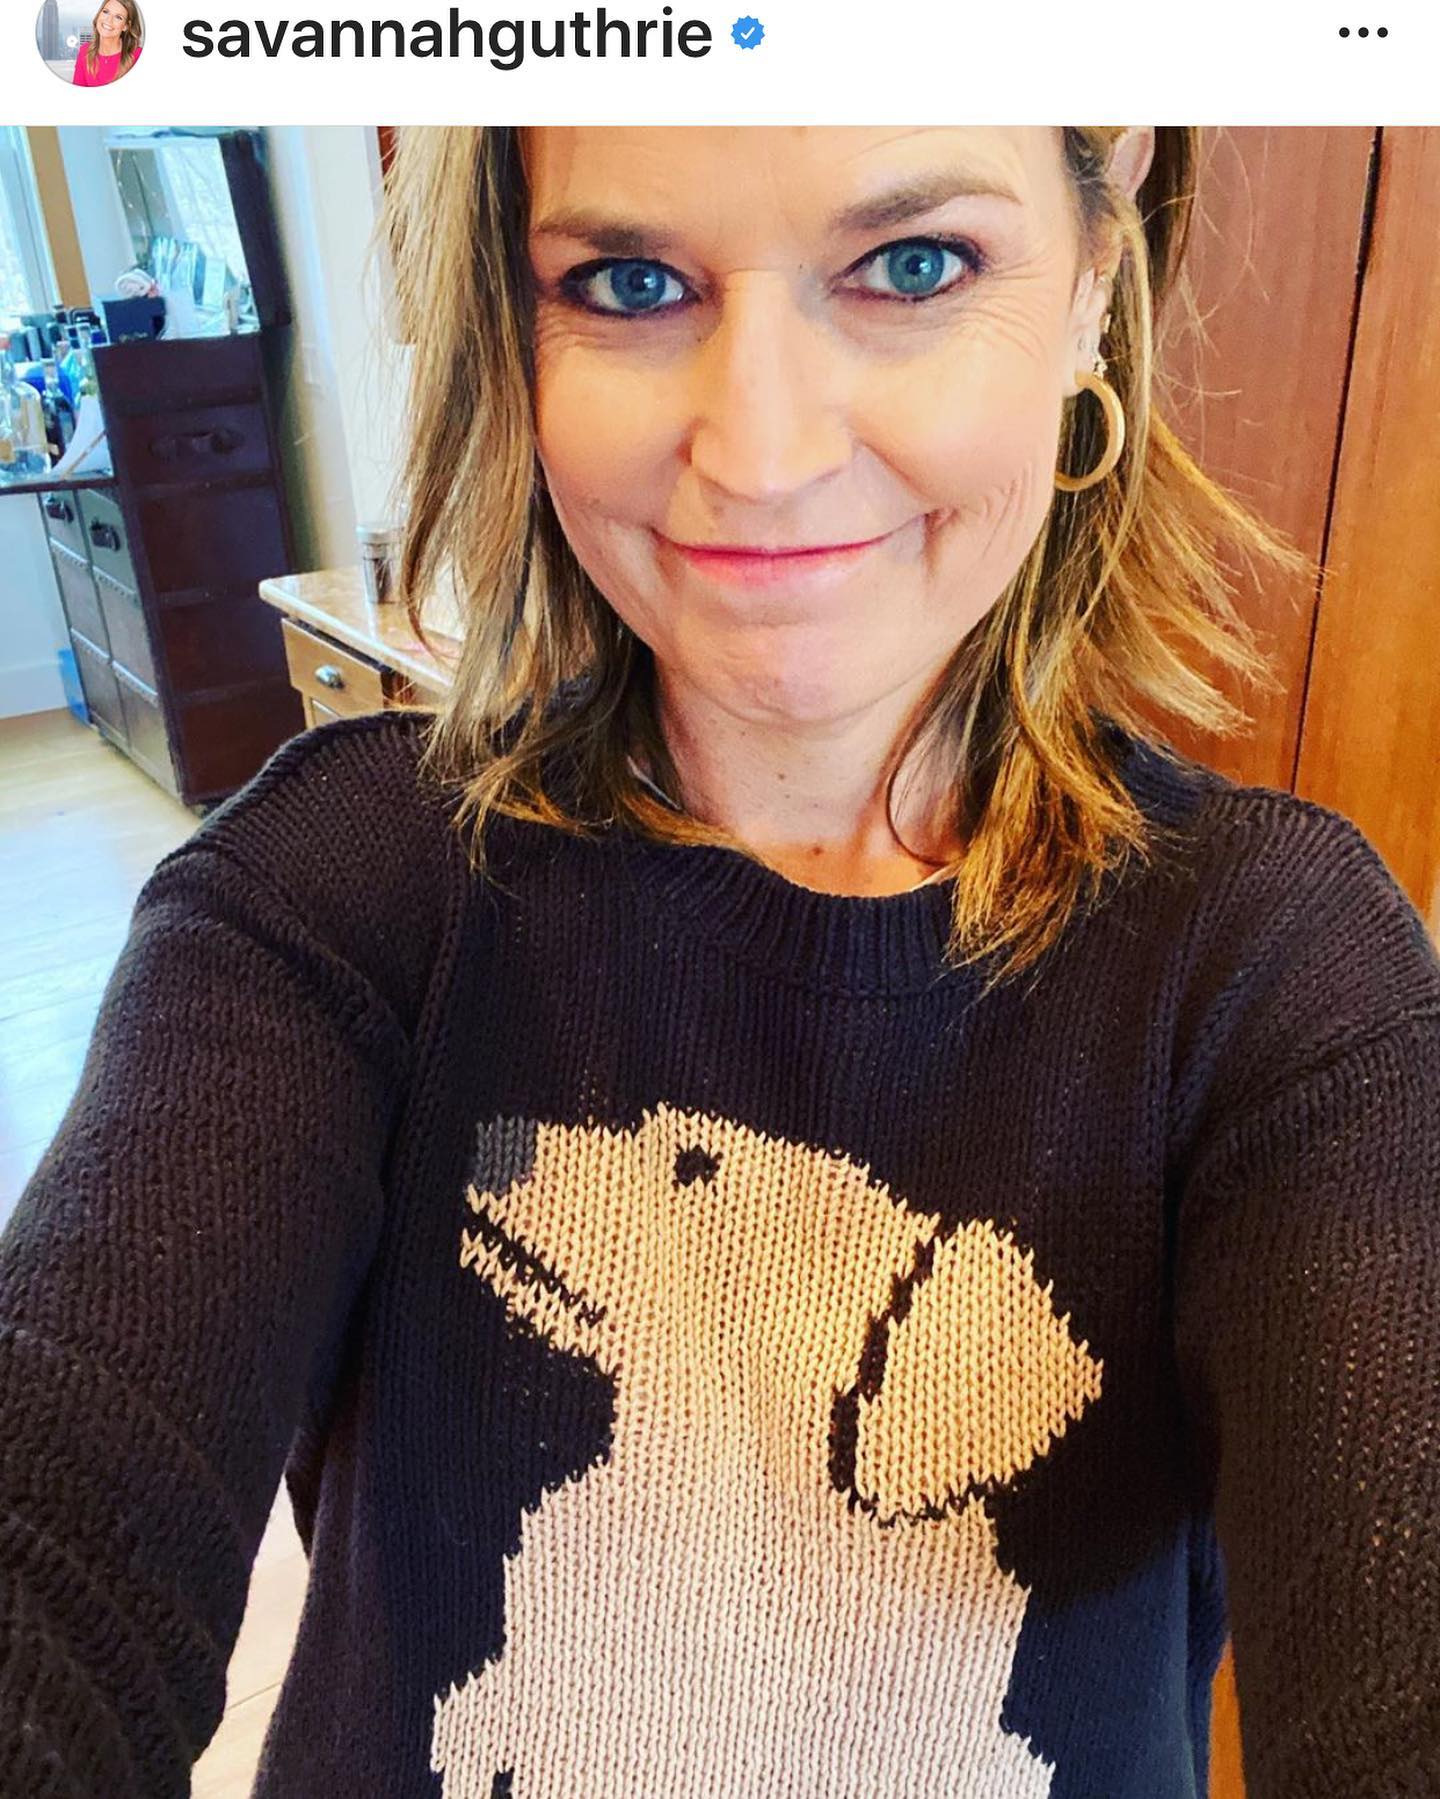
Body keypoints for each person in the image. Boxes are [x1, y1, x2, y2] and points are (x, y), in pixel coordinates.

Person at [1, 126, 1437, 1797]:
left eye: (912, 265)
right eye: (627, 282)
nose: (760, 455)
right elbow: (61, 1511)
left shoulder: (1273, 967)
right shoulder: (341, 886)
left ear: (1093, 287)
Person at [71, 0, 142, 86]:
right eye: (106, 12)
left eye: (118, 17)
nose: (108, 20)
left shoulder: (138, 55)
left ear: (125, 26)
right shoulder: (85, 51)